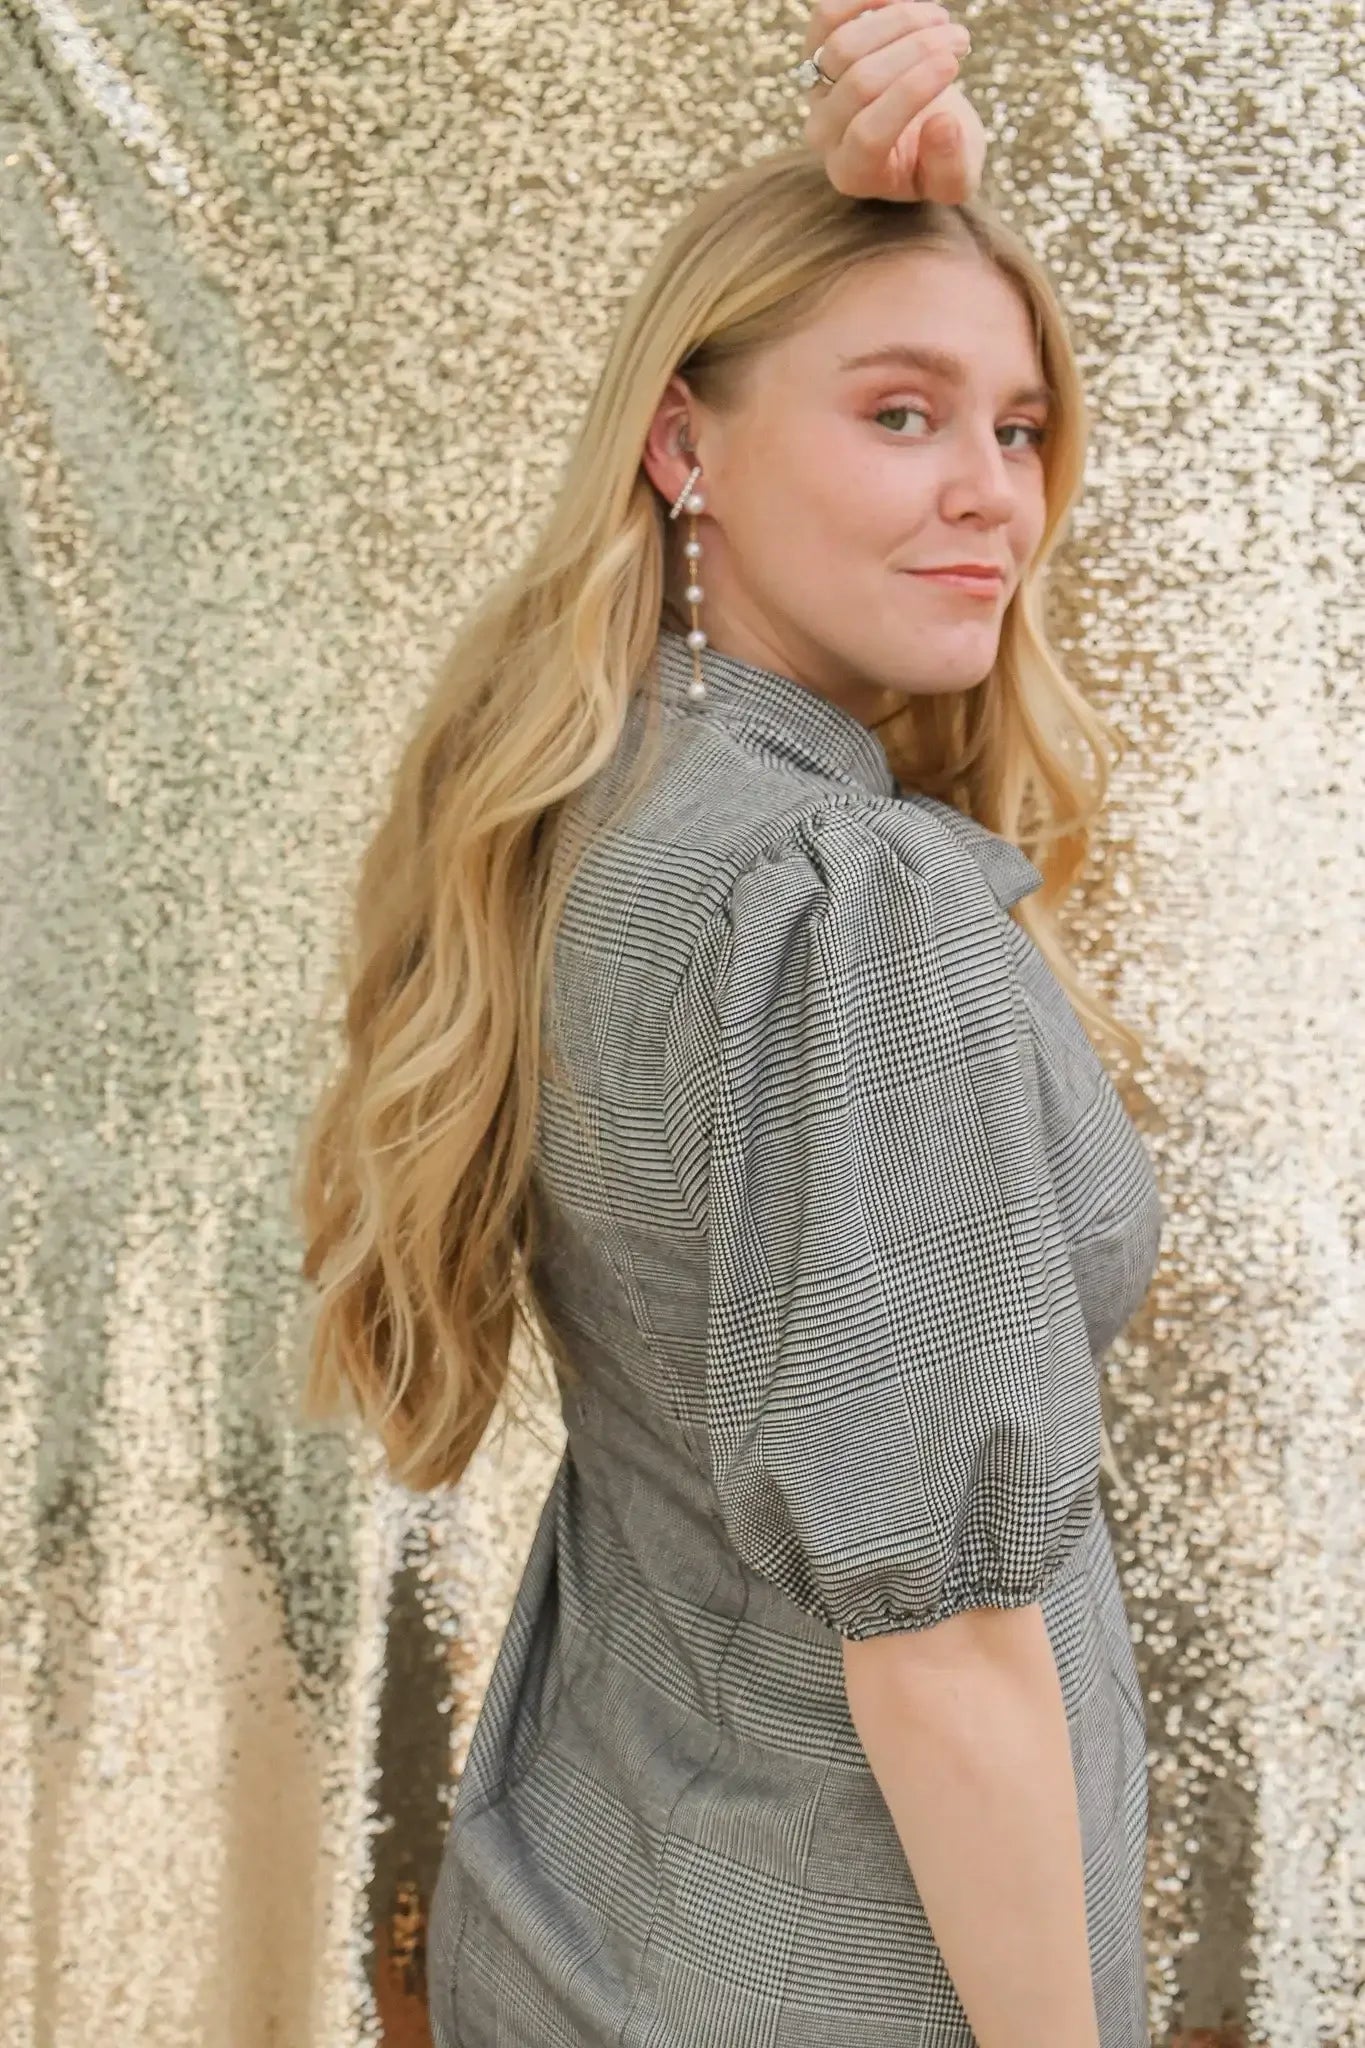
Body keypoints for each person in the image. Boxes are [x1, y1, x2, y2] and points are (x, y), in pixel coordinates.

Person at [290, 6, 1165, 2044]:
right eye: (895, 415)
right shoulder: (854, 916)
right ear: (685, 444)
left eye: (1016, 427)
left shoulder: (595, 803)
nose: (990, 500)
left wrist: (918, 234)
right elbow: (942, 1640)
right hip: (842, 1981)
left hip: (586, 1921)